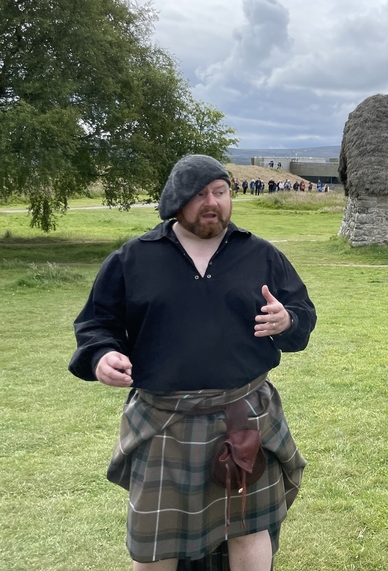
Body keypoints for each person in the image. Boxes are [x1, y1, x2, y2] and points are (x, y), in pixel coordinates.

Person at [69, 154, 316, 571]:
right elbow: (97, 323)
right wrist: (101, 356)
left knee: (249, 527)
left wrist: (287, 319)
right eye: (199, 194)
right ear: (176, 201)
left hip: (244, 412)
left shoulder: (260, 255)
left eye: (219, 192)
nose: (211, 202)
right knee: (157, 543)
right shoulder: (133, 259)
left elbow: (302, 315)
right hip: (165, 418)